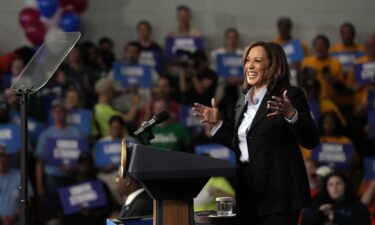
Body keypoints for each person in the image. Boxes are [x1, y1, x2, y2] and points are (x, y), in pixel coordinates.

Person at [192, 41, 320, 225]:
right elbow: (245, 146)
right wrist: (218, 124)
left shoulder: (288, 95)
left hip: (281, 195)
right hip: (250, 195)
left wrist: (291, 114)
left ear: (272, 65)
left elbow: (311, 140)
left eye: (257, 61)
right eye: (247, 60)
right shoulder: (241, 101)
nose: (250, 65)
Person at [301, 172, 370, 225]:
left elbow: (364, 222)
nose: (334, 188)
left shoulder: (356, 204)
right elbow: (304, 221)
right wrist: (319, 212)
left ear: (345, 185)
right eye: (331, 184)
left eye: (338, 183)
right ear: (326, 187)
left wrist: (335, 215)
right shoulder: (318, 201)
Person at [0, 144, 33, 225]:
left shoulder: (20, 176)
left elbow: (27, 200)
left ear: (8, 158)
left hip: (18, 220)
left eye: (3, 156)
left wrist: (14, 216)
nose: (0, 160)